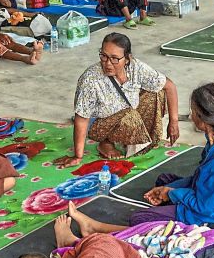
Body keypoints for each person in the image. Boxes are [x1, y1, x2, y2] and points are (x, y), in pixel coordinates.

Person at [71, 82, 214, 231]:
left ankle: (97, 227)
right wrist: (168, 189)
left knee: (140, 218)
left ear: (203, 118)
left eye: (193, 112)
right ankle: (170, 210)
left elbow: (205, 206)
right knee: (164, 180)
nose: (191, 116)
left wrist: (172, 193)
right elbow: (201, 179)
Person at [55, 33, 180, 166]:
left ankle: (133, 140)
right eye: (104, 56)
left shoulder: (136, 67)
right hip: (100, 125)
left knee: (156, 93)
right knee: (130, 116)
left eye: (115, 58)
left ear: (127, 59)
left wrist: (174, 122)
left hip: (128, 113)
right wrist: (77, 156)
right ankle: (106, 142)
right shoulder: (90, 79)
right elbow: (81, 118)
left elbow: (169, 86)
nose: (108, 64)